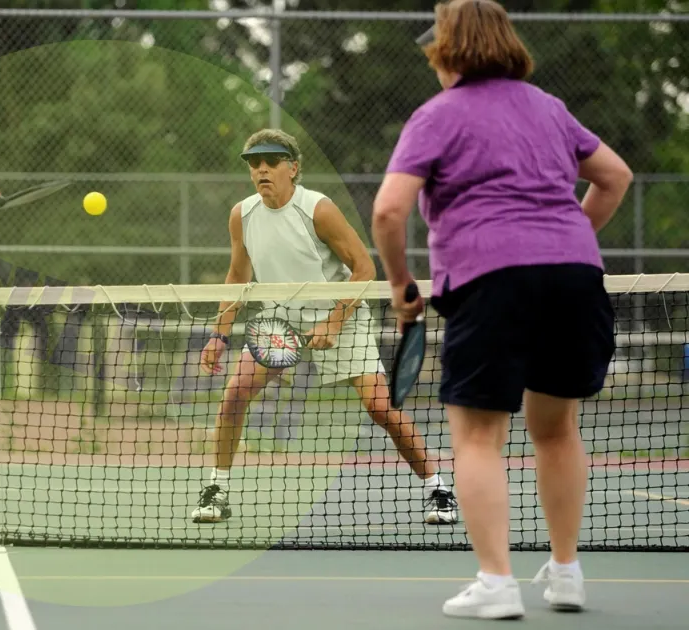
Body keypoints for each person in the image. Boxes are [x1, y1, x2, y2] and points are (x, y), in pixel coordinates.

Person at [371, 0, 633, 619]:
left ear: (450, 50)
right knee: (556, 428)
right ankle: (566, 573)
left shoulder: (436, 116)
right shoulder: (548, 107)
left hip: (491, 281)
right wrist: (570, 240)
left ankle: (496, 582)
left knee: (479, 437)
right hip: (574, 279)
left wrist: (402, 286)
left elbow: (387, 211)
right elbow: (615, 176)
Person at [193, 128, 458, 527]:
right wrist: (218, 334)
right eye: (254, 164)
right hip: (280, 319)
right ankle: (217, 489)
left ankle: (438, 489)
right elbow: (236, 276)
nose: (261, 170)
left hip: (341, 314)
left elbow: (365, 268)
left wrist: (334, 321)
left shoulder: (317, 208)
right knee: (234, 397)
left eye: (271, 162)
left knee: (380, 408)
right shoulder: (242, 215)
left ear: (293, 168)